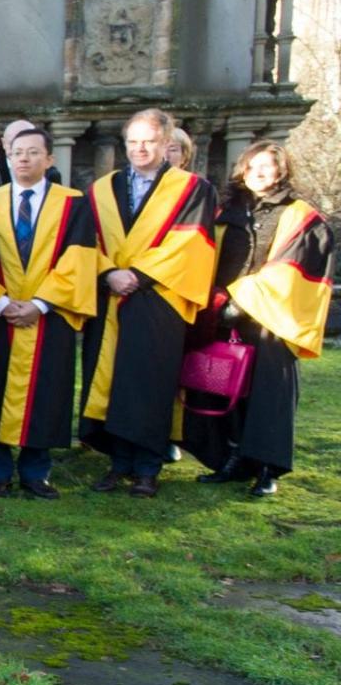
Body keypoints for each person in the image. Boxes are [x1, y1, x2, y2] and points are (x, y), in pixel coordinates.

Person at [81, 108, 217, 499]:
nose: (140, 148)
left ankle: (147, 466)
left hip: (158, 297)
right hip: (110, 294)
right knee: (109, 379)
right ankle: (117, 462)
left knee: (148, 383)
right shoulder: (102, 188)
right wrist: (109, 273)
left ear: (166, 143)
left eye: (149, 141)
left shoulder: (192, 189)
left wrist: (136, 275)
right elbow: (85, 240)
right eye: (133, 141)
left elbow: (190, 243)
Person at [187, 140, 333, 496]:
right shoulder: (227, 211)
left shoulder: (300, 216)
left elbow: (291, 270)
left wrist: (241, 301)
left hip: (273, 321)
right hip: (224, 314)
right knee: (224, 386)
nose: (259, 174)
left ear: (282, 171)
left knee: (269, 395)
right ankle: (234, 458)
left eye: (267, 167)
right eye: (252, 167)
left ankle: (268, 468)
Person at [0, 128, 98, 499]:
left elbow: (78, 259)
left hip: (49, 315)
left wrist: (41, 303)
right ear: (7, 158)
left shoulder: (74, 204)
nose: (23, 159)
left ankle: (35, 472)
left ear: (49, 159)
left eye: (32, 152)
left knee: (46, 392)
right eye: (17, 153)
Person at [0, 119, 64, 190]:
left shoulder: (50, 174)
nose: (22, 156)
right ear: (3, 143)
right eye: (13, 144)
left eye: (30, 147)